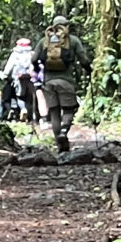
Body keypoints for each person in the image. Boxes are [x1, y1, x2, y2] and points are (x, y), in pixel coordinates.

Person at [40, 15, 83, 155]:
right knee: (69, 110)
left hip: (48, 82)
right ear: (66, 26)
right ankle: (64, 132)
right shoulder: (73, 41)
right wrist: (88, 70)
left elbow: (34, 59)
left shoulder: (44, 41)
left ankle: (59, 144)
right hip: (66, 81)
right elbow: (83, 59)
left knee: (54, 112)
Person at [0, 32, 38, 124]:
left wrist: (3, 75)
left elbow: (9, 67)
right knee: (29, 97)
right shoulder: (32, 54)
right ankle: (31, 117)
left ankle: (23, 109)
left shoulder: (15, 55)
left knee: (20, 96)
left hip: (18, 78)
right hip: (30, 78)